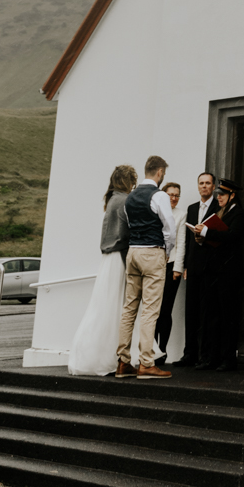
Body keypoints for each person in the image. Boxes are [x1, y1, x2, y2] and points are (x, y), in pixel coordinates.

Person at [67, 164, 136, 376]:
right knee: (117, 307)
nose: (134, 185)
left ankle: (94, 354)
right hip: (119, 257)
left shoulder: (110, 200)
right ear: (127, 181)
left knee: (104, 306)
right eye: (133, 181)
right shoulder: (124, 201)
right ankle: (113, 356)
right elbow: (127, 232)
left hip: (108, 259)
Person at [115, 154, 176, 379]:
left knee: (129, 307)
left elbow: (130, 224)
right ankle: (146, 363)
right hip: (152, 252)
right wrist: (166, 252)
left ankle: (123, 362)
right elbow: (169, 227)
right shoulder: (158, 195)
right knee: (150, 310)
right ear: (159, 173)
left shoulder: (129, 197)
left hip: (133, 251)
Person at [191, 178, 244, 371]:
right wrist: (201, 238)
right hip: (213, 271)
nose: (219, 197)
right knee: (211, 316)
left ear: (232, 195)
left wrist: (208, 232)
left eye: (222, 194)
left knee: (227, 316)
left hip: (228, 272)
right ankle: (209, 357)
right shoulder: (218, 213)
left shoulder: (239, 214)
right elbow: (214, 238)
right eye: (219, 194)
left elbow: (232, 236)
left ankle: (227, 359)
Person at [173, 171, 216, 368]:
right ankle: (189, 353)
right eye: (201, 183)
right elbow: (187, 241)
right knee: (191, 311)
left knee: (207, 312)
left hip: (210, 266)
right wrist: (185, 266)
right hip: (193, 266)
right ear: (198, 186)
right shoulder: (191, 209)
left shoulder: (218, 207)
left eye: (208, 183)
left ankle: (205, 355)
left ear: (213, 187)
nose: (204, 186)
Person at [154, 181, 185, 363]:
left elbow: (181, 243)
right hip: (154, 266)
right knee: (153, 311)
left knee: (166, 310)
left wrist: (178, 268)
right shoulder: (155, 211)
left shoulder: (181, 214)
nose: (173, 198)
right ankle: (151, 350)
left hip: (171, 266)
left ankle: (162, 351)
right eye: (170, 194)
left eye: (176, 195)